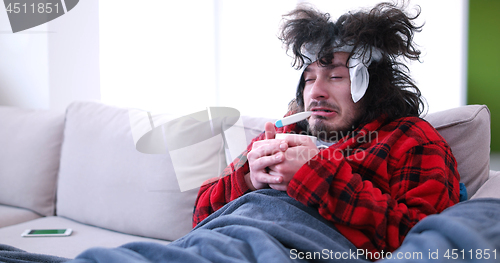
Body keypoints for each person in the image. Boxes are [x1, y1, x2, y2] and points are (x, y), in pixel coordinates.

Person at [193, 1, 460, 255]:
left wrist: (315, 175)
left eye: (335, 77)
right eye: (309, 79)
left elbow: (427, 243)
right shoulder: (282, 134)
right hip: (212, 243)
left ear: (373, 87)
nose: (316, 92)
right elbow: (200, 214)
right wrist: (251, 180)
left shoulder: (410, 139)